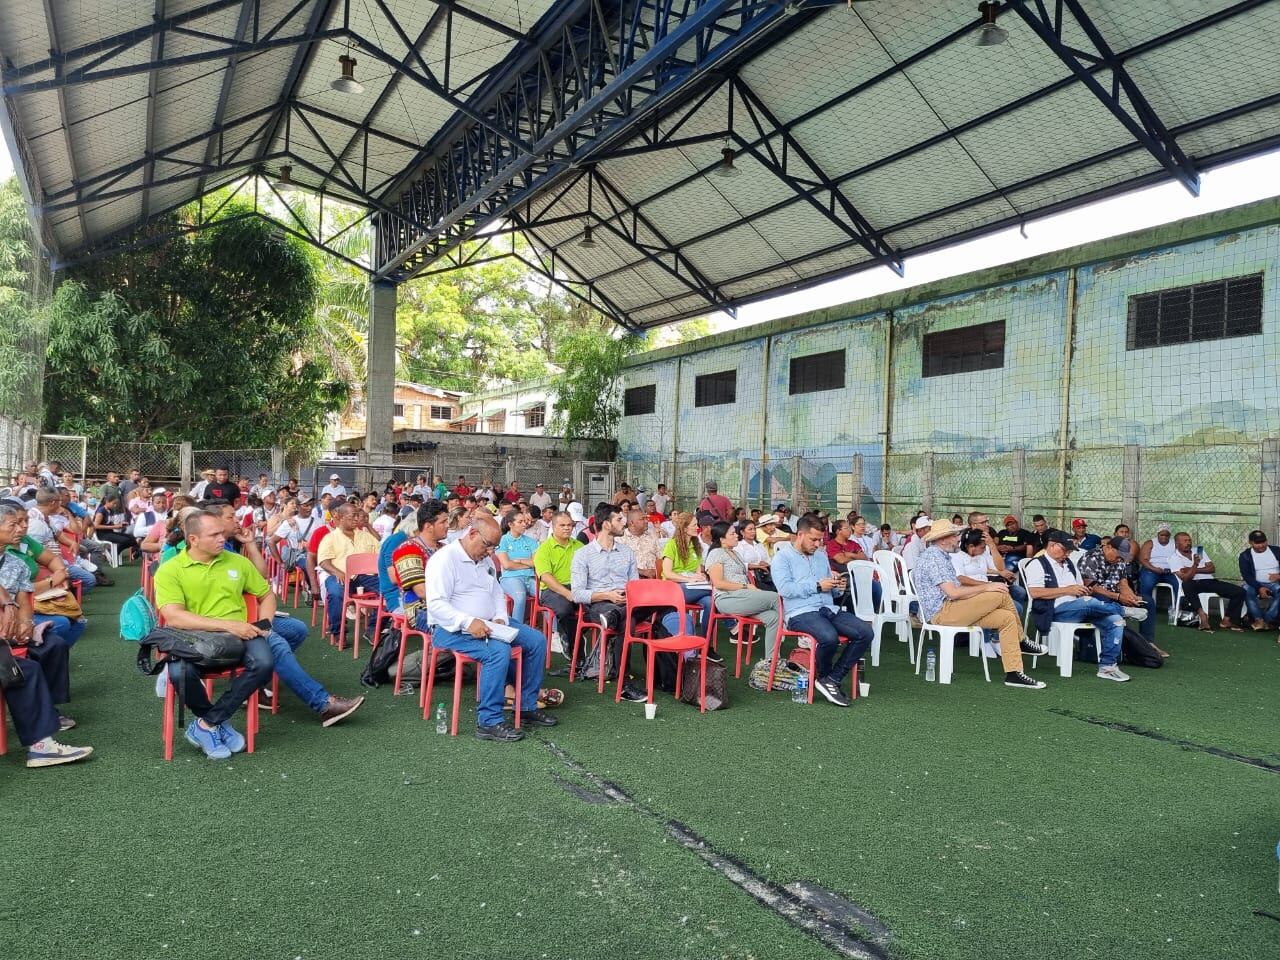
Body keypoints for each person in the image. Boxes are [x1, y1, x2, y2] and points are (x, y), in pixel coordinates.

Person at [423, 514, 554, 742]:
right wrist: (467, 621)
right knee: (498, 652)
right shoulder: (443, 560)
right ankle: (489, 721)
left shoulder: (483, 559)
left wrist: (501, 617)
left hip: (490, 622)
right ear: (472, 534)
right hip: (451, 628)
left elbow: (496, 593)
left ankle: (525, 706)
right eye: (488, 545)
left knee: (536, 640)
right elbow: (436, 605)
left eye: (494, 546)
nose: (491, 552)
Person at [0, 503, 92, 767]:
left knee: (52, 644)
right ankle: (41, 743)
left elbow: (24, 600)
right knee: (23, 670)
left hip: (7, 636)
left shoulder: (16, 563)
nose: (21, 529)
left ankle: (48, 714)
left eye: (22, 523)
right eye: (13, 524)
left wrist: (25, 624)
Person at [916, 519, 1046, 688]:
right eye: (955, 535)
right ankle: (1021, 640)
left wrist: (985, 588)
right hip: (943, 612)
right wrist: (987, 587)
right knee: (1001, 593)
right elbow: (953, 593)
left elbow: (955, 591)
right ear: (943, 540)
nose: (958, 539)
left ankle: (1014, 673)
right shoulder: (935, 558)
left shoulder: (940, 555)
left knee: (1006, 618)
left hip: (952, 609)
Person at [770, 515, 873, 706]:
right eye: (814, 539)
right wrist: (817, 586)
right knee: (828, 637)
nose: (818, 544)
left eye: (820, 540)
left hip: (827, 608)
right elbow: (785, 590)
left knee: (865, 632)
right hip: (799, 612)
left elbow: (830, 590)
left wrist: (837, 586)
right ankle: (826, 678)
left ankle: (831, 679)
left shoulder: (820, 555)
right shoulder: (782, 557)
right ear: (800, 535)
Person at [1024, 530, 1130, 682]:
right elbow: (1035, 593)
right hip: (1053, 609)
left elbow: (1079, 587)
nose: (1067, 553)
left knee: (1116, 621)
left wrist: (1082, 591)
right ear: (1052, 545)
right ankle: (1124, 609)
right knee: (1090, 602)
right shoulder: (1036, 564)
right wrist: (1068, 590)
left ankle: (1107, 667)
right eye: (1065, 549)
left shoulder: (1069, 565)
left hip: (1079, 607)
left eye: (1069, 550)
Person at [705, 521, 779, 665]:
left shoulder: (735, 553)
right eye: (732, 533)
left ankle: (772, 662)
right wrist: (746, 586)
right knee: (775, 597)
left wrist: (749, 589)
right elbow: (718, 583)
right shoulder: (716, 553)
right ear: (722, 538)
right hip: (727, 598)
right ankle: (793, 626)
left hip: (742, 597)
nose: (736, 536)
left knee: (773, 617)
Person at [1078, 537, 1162, 654]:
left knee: (1148, 602)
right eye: (1118, 556)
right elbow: (1091, 587)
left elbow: (1123, 583)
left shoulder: (1120, 560)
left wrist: (1131, 596)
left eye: (1122, 557)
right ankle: (1120, 642)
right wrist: (1118, 597)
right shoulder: (1091, 557)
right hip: (1095, 596)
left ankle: (1147, 643)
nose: (1119, 559)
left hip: (1115, 595)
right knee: (1103, 600)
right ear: (1108, 547)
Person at [317, 504, 381, 645]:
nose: (356, 519)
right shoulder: (330, 538)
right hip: (339, 576)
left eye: (357, 516)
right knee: (335, 592)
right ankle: (339, 632)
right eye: (352, 516)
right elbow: (323, 561)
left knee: (389, 591)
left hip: (365, 577)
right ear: (340, 518)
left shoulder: (365, 536)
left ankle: (373, 629)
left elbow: (380, 553)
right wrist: (336, 571)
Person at [1168, 532, 1246, 632]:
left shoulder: (1198, 551)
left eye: (1189, 540)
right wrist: (1195, 565)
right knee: (1187, 584)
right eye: (1185, 541)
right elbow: (1185, 578)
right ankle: (1202, 615)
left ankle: (1227, 620)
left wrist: (1192, 569)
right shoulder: (1174, 557)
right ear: (1177, 544)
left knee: (1240, 592)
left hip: (1209, 581)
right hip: (1192, 584)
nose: (1188, 543)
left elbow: (1212, 568)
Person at [658, 512, 714, 645]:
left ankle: (706, 643)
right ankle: (720, 591)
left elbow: (697, 571)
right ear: (684, 528)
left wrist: (700, 576)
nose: (697, 528)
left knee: (710, 602)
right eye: (694, 525)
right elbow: (667, 573)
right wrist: (688, 579)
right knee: (715, 591)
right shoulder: (672, 545)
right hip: (673, 587)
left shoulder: (696, 545)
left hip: (693, 587)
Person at [533, 511, 583, 653]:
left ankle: (572, 638)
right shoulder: (544, 549)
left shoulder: (579, 545)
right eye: (562, 525)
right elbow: (546, 577)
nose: (567, 528)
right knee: (565, 609)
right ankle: (575, 651)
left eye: (569, 525)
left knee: (600, 608)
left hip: (577, 586)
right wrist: (568, 594)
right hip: (551, 590)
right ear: (554, 527)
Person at [1137, 522, 1180, 644]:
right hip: (1152, 569)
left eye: (1166, 535)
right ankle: (1144, 607)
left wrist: (1173, 569)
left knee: (1179, 585)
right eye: (1162, 535)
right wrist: (1154, 569)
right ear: (1158, 534)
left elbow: (1179, 558)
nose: (1164, 537)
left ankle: (1177, 611)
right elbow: (1143, 559)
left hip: (1169, 571)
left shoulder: (1174, 544)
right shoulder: (1150, 543)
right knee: (1147, 583)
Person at [496, 511, 539, 624]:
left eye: (525, 521)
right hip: (510, 578)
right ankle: (517, 630)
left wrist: (519, 561)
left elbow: (536, 563)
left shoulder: (531, 541)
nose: (524, 524)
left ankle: (555, 634)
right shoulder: (502, 540)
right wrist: (527, 564)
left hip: (530, 578)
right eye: (520, 522)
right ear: (510, 524)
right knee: (520, 598)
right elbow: (506, 565)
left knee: (546, 596)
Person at [1238, 529, 1280, 630]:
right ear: (1250, 543)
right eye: (1257, 543)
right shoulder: (1245, 556)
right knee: (1246, 590)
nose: (1261, 545)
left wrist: (1279, 576)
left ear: (1267, 541)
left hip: (1275, 583)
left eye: (1263, 542)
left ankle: (1267, 620)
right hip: (1254, 583)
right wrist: (1259, 587)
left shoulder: (1276, 551)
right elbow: (1246, 576)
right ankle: (1258, 619)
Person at [619, 507, 660, 579]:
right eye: (642, 519)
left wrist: (657, 572)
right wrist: (642, 572)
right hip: (631, 580)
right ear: (631, 523)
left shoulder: (652, 535)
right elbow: (619, 565)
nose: (647, 521)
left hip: (653, 579)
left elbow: (660, 557)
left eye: (646, 518)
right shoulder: (621, 539)